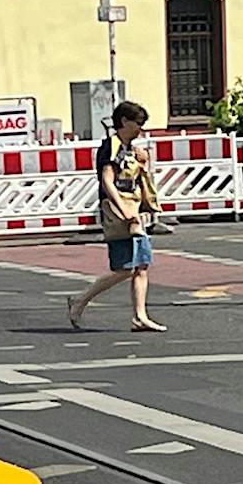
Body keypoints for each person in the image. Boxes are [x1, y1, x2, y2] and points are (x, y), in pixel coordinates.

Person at [66, 100, 164, 333]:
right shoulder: (112, 146)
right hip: (120, 211)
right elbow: (107, 180)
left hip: (133, 210)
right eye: (138, 123)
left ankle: (140, 316)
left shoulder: (130, 149)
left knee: (141, 264)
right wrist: (123, 210)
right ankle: (80, 299)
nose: (141, 129)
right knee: (124, 267)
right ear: (124, 122)